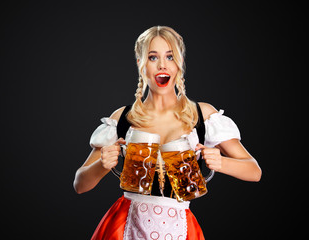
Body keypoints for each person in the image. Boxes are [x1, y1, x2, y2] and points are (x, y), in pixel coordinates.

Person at [74, 26, 262, 240]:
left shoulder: (202, 115)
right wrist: (102, 165)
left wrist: (221, 163)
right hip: (127, 225)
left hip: (179, 225)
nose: (162, 65)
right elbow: (80, 184)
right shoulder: (123, 117)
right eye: (153, 57)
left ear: (180, 62)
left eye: (170, 56)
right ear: (140, 64)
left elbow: (254, 172)